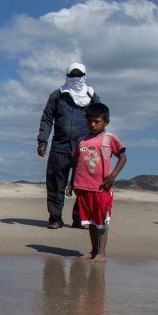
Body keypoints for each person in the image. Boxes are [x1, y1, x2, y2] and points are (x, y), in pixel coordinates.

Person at [38, 63, 102, 229]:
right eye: (72, 75)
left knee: (83, 186)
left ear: (84, 76)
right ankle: (55, 218)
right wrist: (42, 141)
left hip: (85, 148)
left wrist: (100, 144)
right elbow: (47, 118)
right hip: (60, 146)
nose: (75, 79)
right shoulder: (58, 95)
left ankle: (80, 218)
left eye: (78, 75)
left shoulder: (92, 96)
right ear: (67, 76)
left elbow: (100, 119)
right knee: (55, 184)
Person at [65, 102, 126, 262]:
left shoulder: (109, 138)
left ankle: (102, 252)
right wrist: (72, 182)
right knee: (91, 222)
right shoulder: (82, 140)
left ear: (106, 122)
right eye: (89, 121)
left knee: (102, 222)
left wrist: (112, 176)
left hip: (101, 188)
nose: (92, 124)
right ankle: (93, 250)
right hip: (83, 187)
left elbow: (123, 157)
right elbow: (76, 162)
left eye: (96, 121)